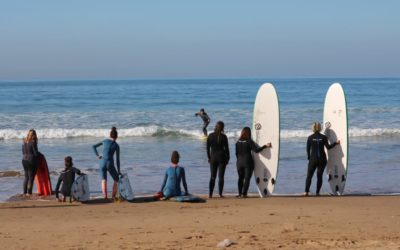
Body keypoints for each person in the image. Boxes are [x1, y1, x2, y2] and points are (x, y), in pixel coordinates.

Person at [305, 122, 340, 196]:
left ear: (313, 128)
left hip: (313, 159)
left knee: (309, 176)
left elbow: (308, 150)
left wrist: (309, 158)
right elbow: (328, 147)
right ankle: (317, 193)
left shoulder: (310, 138)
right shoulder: (324, 137)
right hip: (322, 160)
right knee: (319, 176)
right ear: (320, 128)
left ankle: (306, 192)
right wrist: (336, 143)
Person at [235, 127, 272, 198]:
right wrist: (265, 146)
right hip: (248, 162)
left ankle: (239, 194)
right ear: (249, 133)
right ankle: (244, 194)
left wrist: (239, 160)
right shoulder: (249, 141)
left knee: (240, 178)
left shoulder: (237, 142)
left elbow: (236, 153)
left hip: (239, 162)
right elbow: (256, 150)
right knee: (247, 178)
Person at [93, 127, 121, 200]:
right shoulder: (116, 145)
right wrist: (118, 170)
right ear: (116, 136)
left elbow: (93, 146)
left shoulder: (105, 141)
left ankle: (105, 196)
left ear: (110, 135)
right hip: (109, 163)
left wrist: (97, 155)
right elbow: (117, 159)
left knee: (103, 179)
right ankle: (113, 196)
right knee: (116, 179)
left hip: (101, 162)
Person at [206, 121, 229, 198]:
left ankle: (210, 194)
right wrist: (228, 158)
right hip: (222, 157)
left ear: (215, 127)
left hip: (213, 158)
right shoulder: (224, 137)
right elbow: (227, 149)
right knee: (221, 177)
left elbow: (207, 148)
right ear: (222, 128)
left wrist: (209, 157)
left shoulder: (210, 136)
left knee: (212, 176)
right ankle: (220, 194)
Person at [21, 129, 39, 197]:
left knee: (26, 177)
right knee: (31, 177)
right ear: (34, 135)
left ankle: (24, 193)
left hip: (24, 160)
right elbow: (35, 153)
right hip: (31, 161)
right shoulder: (33, 142)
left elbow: (23, 152)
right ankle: (29, 193)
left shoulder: (24, 142)